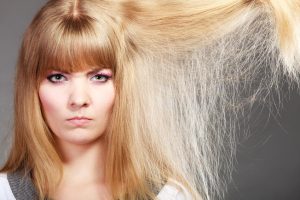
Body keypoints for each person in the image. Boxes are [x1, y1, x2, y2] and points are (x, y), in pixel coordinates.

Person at [0, 0, 299, 200]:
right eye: (57, 77)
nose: (79, 99)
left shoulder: (170, 195)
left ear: (123, 86)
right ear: (31, 88)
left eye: (99, 77)